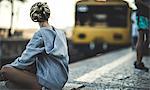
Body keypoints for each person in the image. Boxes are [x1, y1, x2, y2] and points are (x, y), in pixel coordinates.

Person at [0, 2, 69, 90]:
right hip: (60, 81)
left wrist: (11, 67)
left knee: (5, 70)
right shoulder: (60, 33)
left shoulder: (40, 34)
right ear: (47, 15)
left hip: (49, 83)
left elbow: (24, 61)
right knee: (11, 84)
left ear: (34, 17)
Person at [134, 0, 150, 72]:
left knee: (148, 39)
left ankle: (140, 59)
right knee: (141, 38)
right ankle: (138, 62)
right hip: (142, 15)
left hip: (147, 15)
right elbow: (137, 1)